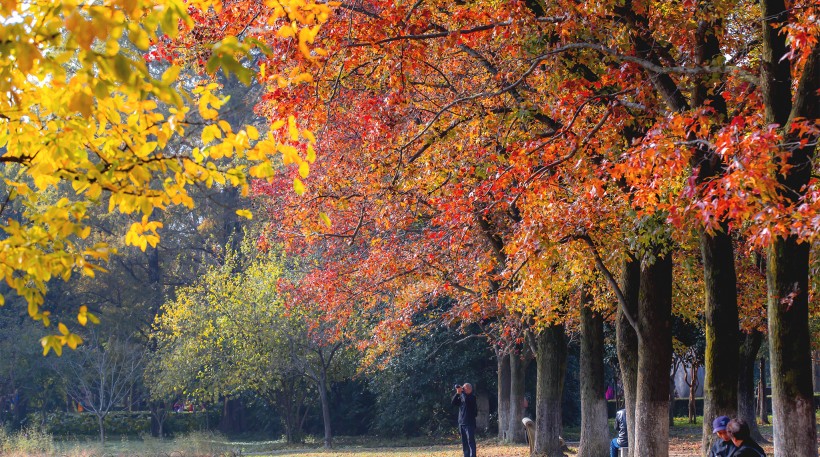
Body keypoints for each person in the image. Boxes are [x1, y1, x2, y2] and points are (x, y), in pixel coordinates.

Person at [451, 382, 477, 457]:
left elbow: (466, 401)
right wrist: (457, 393)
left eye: (464, 388)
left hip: (469, 423)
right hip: (462, 423)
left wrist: (462, 392)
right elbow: (453, 403)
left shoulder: (472, 397)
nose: (463, 389)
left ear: (469, 389)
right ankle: (466, 455)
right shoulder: (462, 396)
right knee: (464, 442)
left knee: (470, 441)